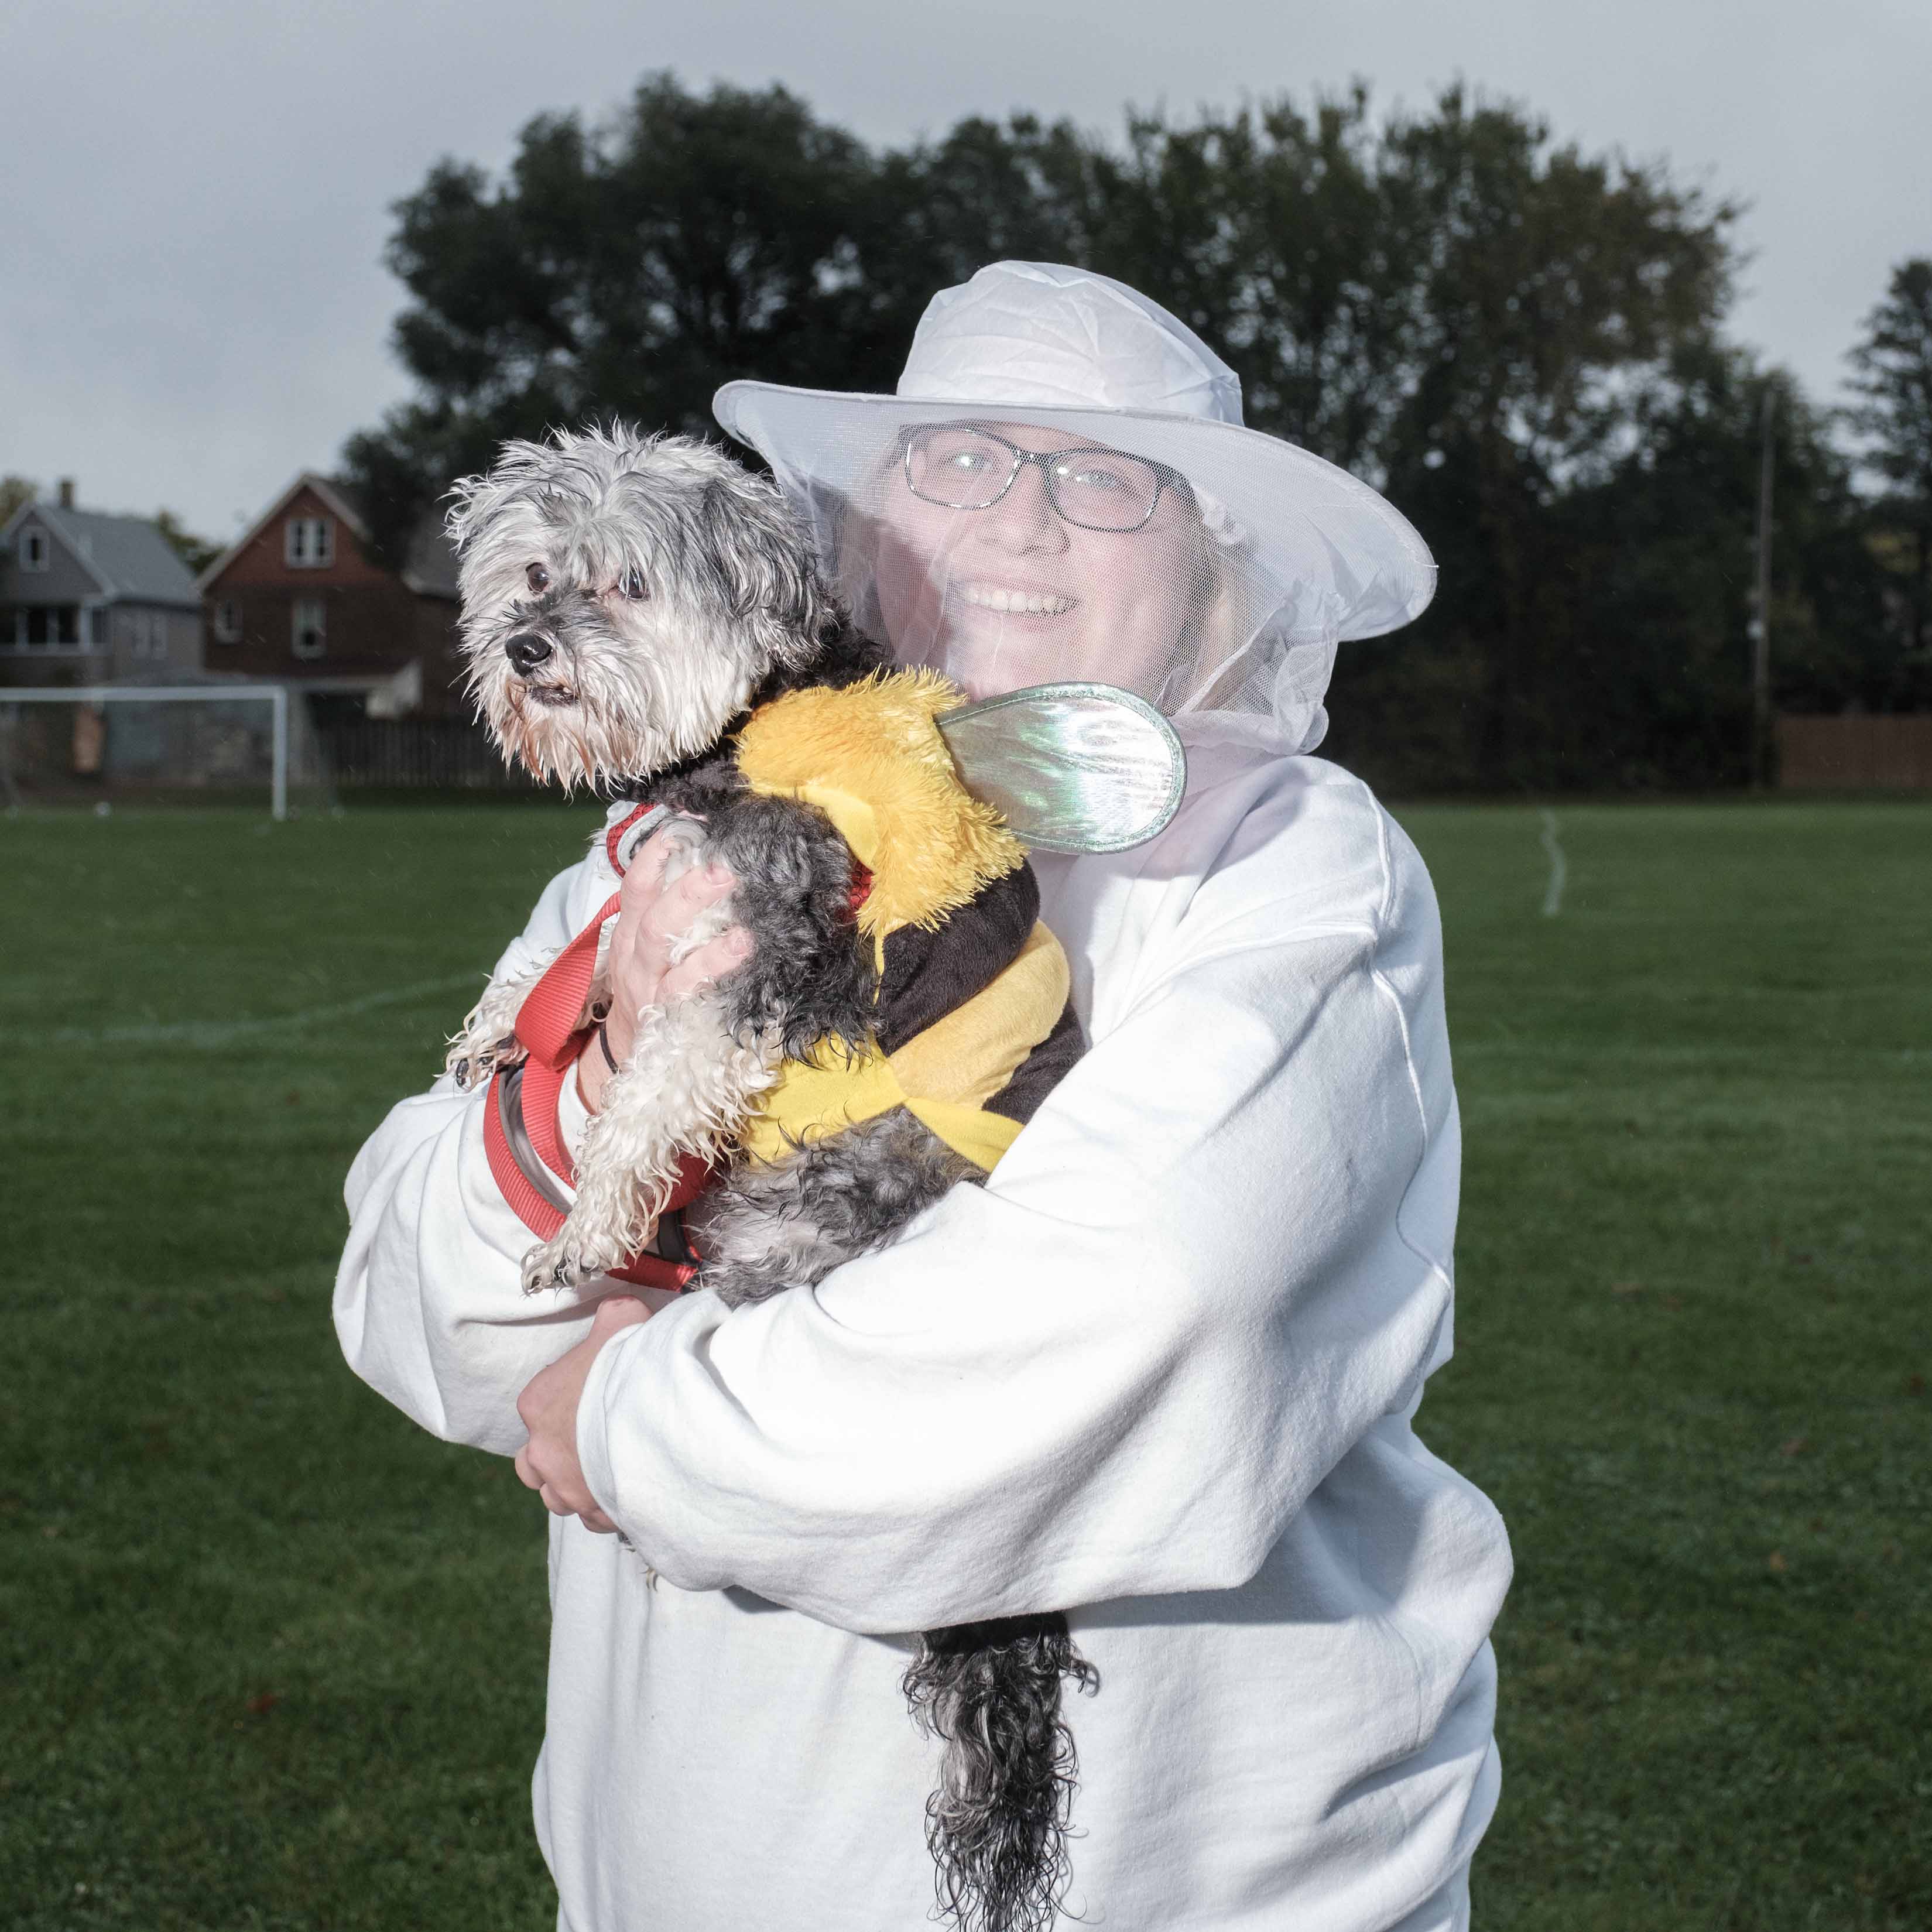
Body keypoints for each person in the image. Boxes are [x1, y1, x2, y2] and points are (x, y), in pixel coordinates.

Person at [335, 259, 1512, 1932]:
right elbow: (416, 1301)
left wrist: (619, 1421)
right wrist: (606, 1071)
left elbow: (1149, 1304)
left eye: (1107, 480)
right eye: (959, 459)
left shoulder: (1290, 872)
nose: (1021, 521)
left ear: (1204, 572)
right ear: (861, 524)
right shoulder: (678, 840)